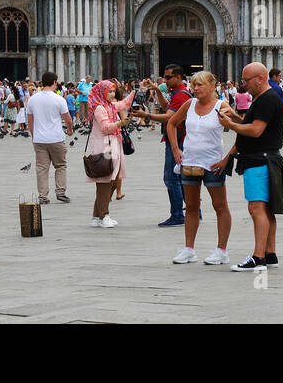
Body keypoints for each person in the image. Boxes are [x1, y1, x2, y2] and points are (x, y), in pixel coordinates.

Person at [217, 62, 283, 272]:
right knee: (267, 210)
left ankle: (258, 257)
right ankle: (270, 254)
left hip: (260, 161)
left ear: (260, 78)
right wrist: (234, 117)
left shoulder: (267, 99)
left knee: (256, 208)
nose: (244, 84)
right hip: (266, 159)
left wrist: (230, 125)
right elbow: (252, 124)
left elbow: (256, 130)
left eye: (246, 80)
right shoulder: (265, 99)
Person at [166, 71, 232, 265]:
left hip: (213, 164)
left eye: (200, 85)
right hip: (190, 162)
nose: (195, 89)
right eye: (194, 85)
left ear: (213, 86)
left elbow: (240, 128)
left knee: (220, 206)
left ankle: (221, 250)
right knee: (192, 207)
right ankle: (188, 249)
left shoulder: (222, 106)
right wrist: (175, 149)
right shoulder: (190, 104)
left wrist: (226, 159)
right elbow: (171, 123)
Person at [132, 63, 191, 227]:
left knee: (171, 178)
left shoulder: (181, 95)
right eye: (164, 77)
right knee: (183, 177)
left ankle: (178, 215)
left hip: (177, 140)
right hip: (180, 139)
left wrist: (146, 115)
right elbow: (166, 107)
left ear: (178, 77)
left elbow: (168, 117)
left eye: (168, 77)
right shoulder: (177, 93)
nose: (165, 80)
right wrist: (157, 89)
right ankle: (194, 211)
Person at [86, 80, 134, 227]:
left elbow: (125, 104)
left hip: (113, 146)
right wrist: (121, 123)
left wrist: (136, 90)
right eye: (110, 91)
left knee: (112, 181)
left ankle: (96, 217)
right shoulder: (100, 108)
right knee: (105, 182)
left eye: (113, 91)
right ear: (102, 92)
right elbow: (106, 127)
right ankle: (104, 215)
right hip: (105, 148)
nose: (113, 94)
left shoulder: (110, 106)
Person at [27, 71, 73, 201]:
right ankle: (60, 192)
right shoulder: (59, 99)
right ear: (54, 82)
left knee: (41, 168)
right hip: (56, 138)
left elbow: (30, 121)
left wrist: (34, 135)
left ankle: (43, 196)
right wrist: (69, 129)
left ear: (42, 82)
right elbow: (68, 119)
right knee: (61, 165)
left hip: (39, 138)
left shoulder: (32, 99)